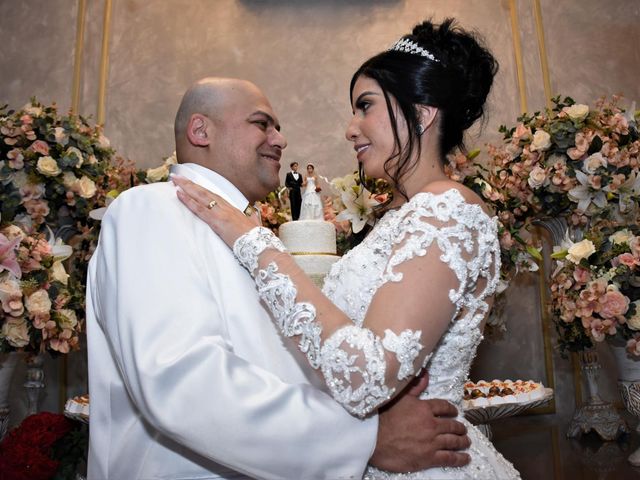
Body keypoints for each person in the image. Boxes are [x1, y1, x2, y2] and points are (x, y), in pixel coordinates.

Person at [173, 18, 522, 479]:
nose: (351, 129)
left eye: (366, 106)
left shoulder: (448, 209)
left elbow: (366, 376)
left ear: (422, 113)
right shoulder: (399, 219)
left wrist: (254, 241)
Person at [87, 77, 472, 479]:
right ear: (201, 131)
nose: (281, 139)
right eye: (262, 123)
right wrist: (366, 438)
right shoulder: (153, 209)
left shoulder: (248, 235)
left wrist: (378, 394)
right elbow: (181, 384)